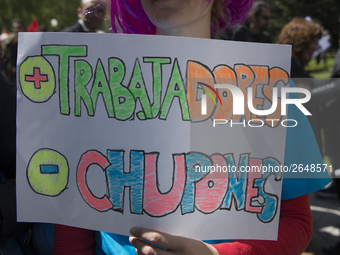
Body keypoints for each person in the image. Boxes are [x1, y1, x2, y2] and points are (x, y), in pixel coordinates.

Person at [52, 1, 331, 254]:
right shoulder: (95, 83)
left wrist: (217, 254)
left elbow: (296, 220)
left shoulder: (268, 86)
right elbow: (73, 220)